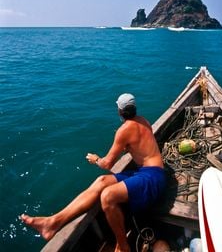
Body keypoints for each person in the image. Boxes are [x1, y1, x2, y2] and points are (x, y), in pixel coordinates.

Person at [20, 93, 166, 252]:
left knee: (107, 196)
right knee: (101, 181)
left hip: (153, 178)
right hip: (149, 172)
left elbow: (108, 163)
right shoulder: (143, 121)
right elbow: (138, 146)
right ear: (134, 108)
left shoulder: (124, 130)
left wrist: (96, 159)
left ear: (119, 111)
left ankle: (123, 246)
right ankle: (53, 222)